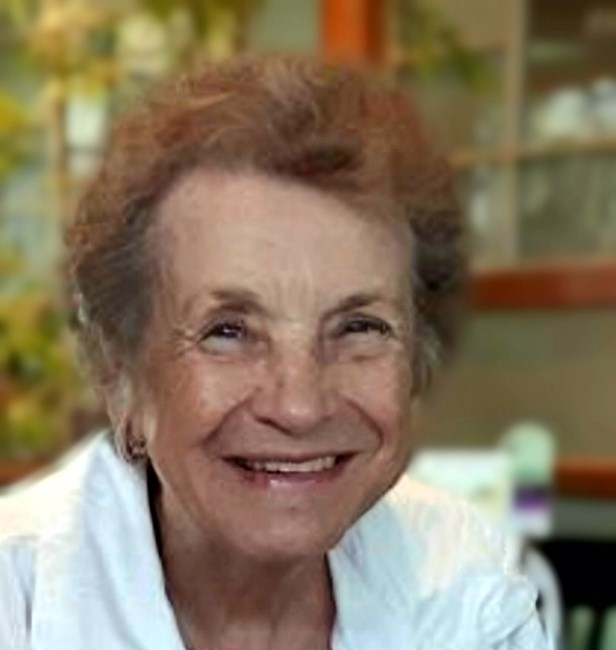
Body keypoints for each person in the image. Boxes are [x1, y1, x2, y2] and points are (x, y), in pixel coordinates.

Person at [0, 55, 549, 650]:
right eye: (228, 332)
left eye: (358, 327)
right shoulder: (19, 602)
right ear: (121, 377)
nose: (300, 408)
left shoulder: (464, 587)